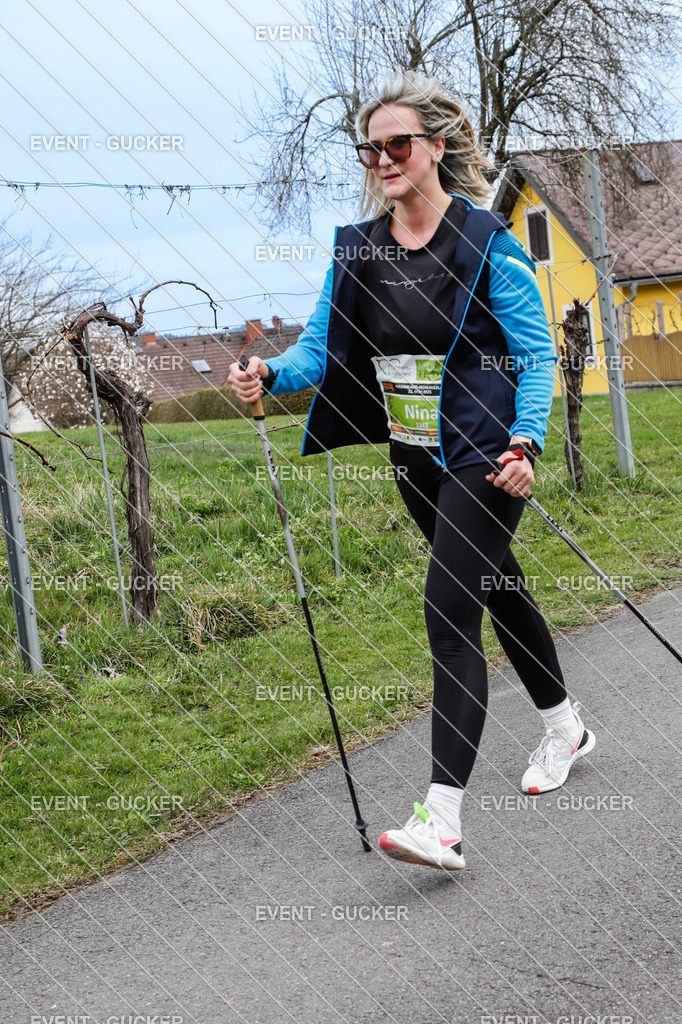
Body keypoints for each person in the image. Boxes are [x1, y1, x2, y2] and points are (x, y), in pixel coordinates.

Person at [228, 70, 595, 871]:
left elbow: (533, 356)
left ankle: (442, 819)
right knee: (499, 588)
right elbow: (321, 346)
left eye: (398, 143)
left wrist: (525, 444)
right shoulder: (358, 249)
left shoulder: (485, 243)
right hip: (414, 452)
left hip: (486, 450)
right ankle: (565, 724)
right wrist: (269, 372)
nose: (383, 158)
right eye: (372, 147)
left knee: (447, 611)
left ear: (435, 148)